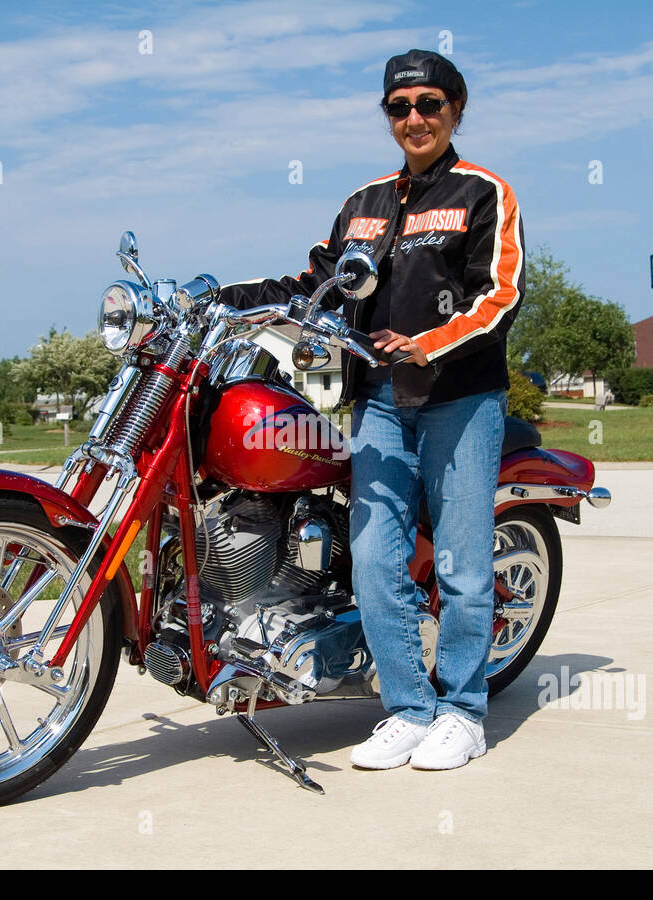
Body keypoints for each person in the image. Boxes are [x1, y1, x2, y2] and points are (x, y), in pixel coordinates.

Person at [218, 49, 524, 770]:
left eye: (428, 104)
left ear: (456, 108)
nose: (414, 118)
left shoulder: (485, 193)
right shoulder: (364, 204)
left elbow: (500, 293)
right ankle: (411, 708)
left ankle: (463, 711)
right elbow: (313, 280)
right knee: (376, 561)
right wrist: (222, 298)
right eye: (399, 107)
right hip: (379, 401)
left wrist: (426, 344)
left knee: (461, 564)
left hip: (461, 397)